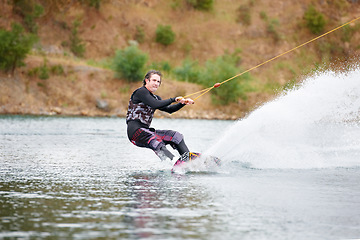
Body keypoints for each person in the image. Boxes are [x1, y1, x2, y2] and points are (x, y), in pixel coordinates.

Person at [126, 70, 194, 161]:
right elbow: (155, 104)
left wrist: (183, 103)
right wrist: (174, 99)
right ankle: (173, 162)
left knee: (176, 136)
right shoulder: (140, 92)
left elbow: (169, 110)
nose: (156, 83)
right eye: (154, 80)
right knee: (157, 142)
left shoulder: (156, 98)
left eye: (158, 82)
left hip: (147, 131)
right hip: (135, 132)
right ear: (147, 80)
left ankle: (188, 160)